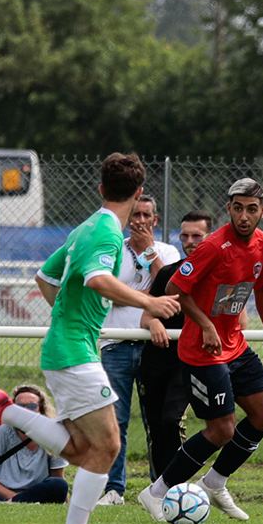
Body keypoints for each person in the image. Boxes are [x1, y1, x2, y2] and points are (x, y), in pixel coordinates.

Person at [0, 152, 179, 524]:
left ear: (100, 189)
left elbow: (45, 277)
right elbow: (96, 279)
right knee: (109, 445)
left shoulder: (85, 228)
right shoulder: (108, 233)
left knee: (82, 449)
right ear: (139, 192)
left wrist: (69, 314)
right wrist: (149, 303)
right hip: (74, 352)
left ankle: (5, 411)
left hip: (67, 348)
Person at [138, 179, 263, 523]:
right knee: (222, 430)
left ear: (262, 212)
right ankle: (156, 492)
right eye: (238, 208)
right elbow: (175, 288)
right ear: (229, 209)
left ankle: (216, 482)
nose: (244, 216)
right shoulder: (214, 247)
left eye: (251, 209)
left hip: (236, 346)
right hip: (202, 351)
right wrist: (205, 324)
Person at [95, 193, 180, 505]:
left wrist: (150, 255)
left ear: (155, 220)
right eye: (135, 215)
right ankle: (114, 489)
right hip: (115, 344)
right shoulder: (111, 247)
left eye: (146, 215)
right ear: (126, 217)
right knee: (114, 421)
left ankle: (161, 489)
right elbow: (108, 295)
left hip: (154, 348)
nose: (140, 221)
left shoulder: (168, 252)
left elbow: (172, 291)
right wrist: (147, 294)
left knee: (156, 421)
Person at [135, 211, 213, 482]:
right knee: (155, 429)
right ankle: (161, 490)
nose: (189, 241)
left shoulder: (218, 274)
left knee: (172, 420)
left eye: (197, 235)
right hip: (156, 361)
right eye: (185, 235)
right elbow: (147, 314)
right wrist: (153, 323)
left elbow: (238, 320)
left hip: (190, 361)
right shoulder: (169, 273)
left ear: (210, 237)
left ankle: (178, 484)